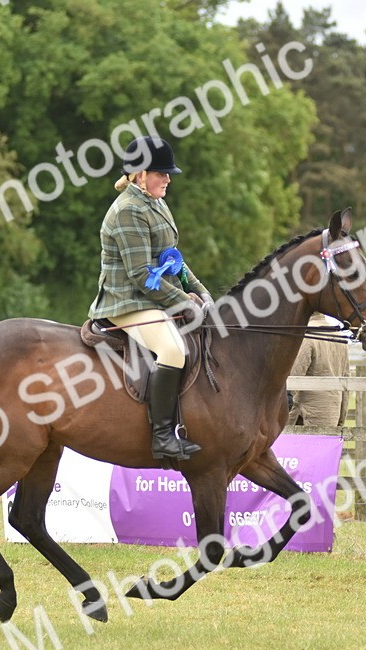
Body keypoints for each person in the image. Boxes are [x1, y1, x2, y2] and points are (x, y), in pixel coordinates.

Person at [89, 136, 212, 461]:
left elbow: (172, 260)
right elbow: (142, 275)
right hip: (126, 302)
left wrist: (199, 290)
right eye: (162, 173)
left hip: (152, 299)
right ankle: (162, 438)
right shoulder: (129, 210)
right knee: (172, 349)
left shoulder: (154, 202)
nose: (168, 178)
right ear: (141, 174)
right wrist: (184, 304)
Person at [288, 313, 350, 428]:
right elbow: (346, 381)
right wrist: (341, 417)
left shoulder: (307, 336)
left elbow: (295, 376)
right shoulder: (340, 338)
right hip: (332, 413)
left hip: (305, 415)